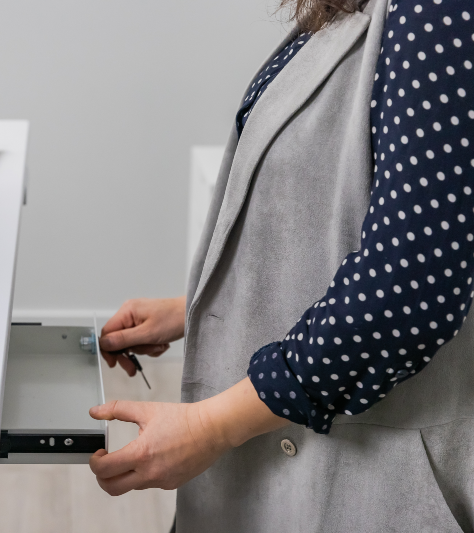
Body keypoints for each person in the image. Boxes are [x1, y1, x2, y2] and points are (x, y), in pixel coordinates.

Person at [88, 0, 474, 530]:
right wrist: (202, 307)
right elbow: (336, 212)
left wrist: (208, 427)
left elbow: (408, 286)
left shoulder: (440, 14)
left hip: (367, 482)